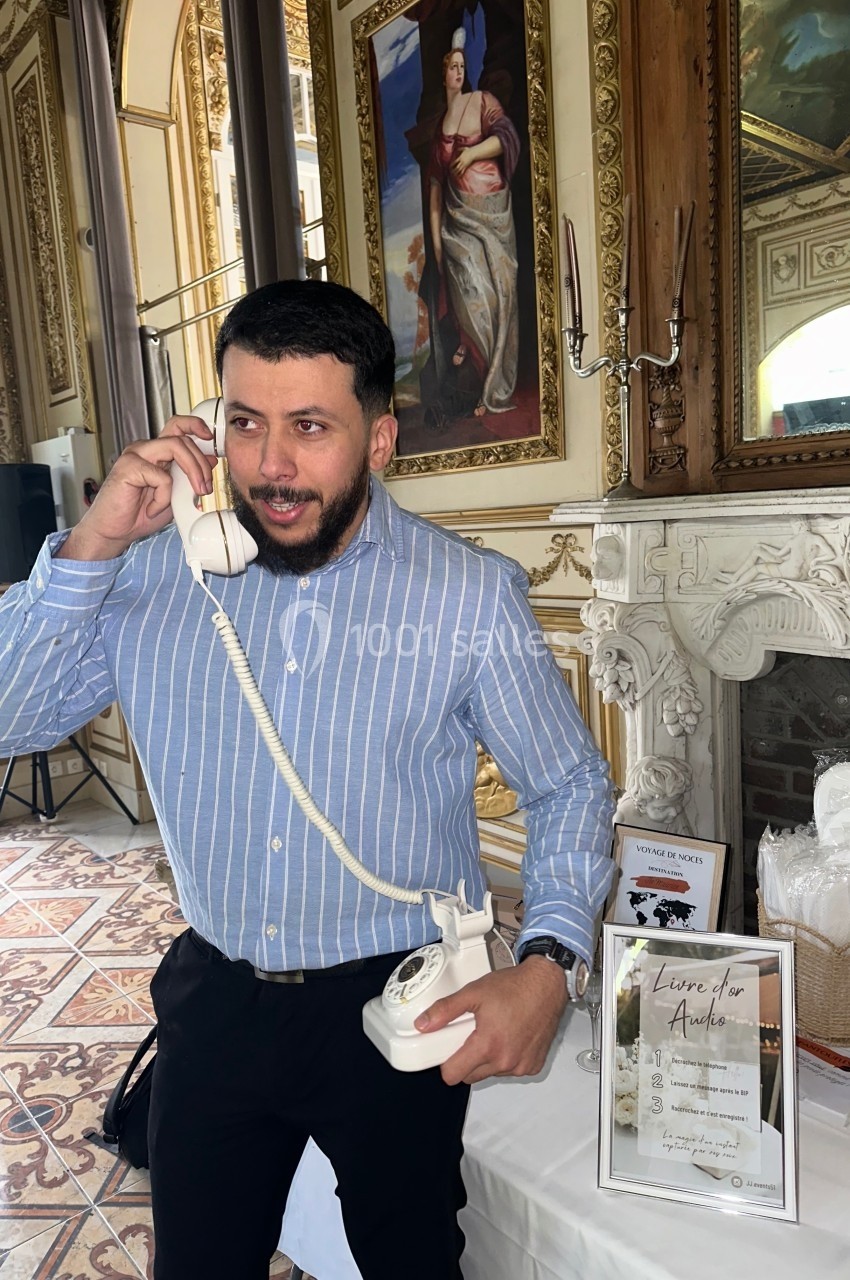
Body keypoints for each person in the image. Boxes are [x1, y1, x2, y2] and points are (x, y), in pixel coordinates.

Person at [0, 278, 614, 1280]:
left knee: (410, 1257)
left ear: (377, 440)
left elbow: (568, 785)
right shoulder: (150, 573)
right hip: (214, 997)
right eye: (244, 423)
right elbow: (10, 715)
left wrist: (548, 964)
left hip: (395, 1002)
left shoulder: (466, 593)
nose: (270, 464)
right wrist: (96, 540)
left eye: (310, 427)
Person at [426, 28, 521, 418]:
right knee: (473, 292)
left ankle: (496, 381)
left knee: (501, 290)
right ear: (444, 72)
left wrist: (474, 153)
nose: (460, 72)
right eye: (454, 67)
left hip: (493, 210)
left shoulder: (482, 100)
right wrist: (435, 243)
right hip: (456, 219)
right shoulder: (439, 130)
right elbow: (434, 190)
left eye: (464, 66)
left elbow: (507, 136)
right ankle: (481, 367)